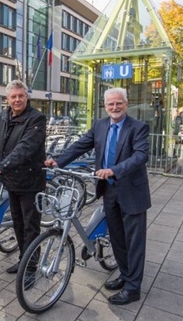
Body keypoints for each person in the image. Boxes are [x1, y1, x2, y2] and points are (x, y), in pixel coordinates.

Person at [45, 87, 151, 305]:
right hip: (109, 190)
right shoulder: (100, 125)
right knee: (118, 239)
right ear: (105, 106)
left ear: (126, 103)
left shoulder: (138, 127)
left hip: (132, 191)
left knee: (134, 242)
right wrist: (58, 161)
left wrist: (115, 170)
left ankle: (133, 288)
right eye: (110, 104)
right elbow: (80, 145)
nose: (114, 107)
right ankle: (124, 275)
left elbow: (141, 156)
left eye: (118, 103)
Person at [0, 80, 46, 282]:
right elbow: (0, 144)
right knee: (18, 224)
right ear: (8, 99)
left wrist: (2, 166)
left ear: (26, 97)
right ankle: (23, 259)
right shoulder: (3, 116)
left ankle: (31, 267)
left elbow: (26, 147)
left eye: (21, 95)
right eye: (13, 96)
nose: (17, 99)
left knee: (31, 226)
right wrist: (0, 165)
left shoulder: (37, 118)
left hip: (31, 181)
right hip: (12, 180)